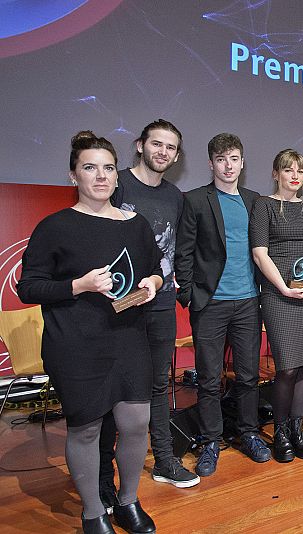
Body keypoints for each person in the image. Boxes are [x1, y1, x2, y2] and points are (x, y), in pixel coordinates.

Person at [18, 131, 162, 534]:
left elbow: (154, 270)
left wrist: (152, 283)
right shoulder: (55, 227)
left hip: (129, 339)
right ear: (73, 176)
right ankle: (93, 511)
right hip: (76, 344)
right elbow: (28, 287)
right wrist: (77, 286)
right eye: (89, 168)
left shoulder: (137, 225)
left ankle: (128, 501)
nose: (101, 176)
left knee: (135, 424)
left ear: (117, 175)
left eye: (108, 168)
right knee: (86, 428)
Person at [97, 119, 199, 503]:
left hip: (159, 301)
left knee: (158, 383)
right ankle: (105, 476)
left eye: (171, 148)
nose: (163, 152)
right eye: (157, 144)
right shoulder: (117, 183)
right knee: (110, 386)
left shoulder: (176, 196)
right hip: (114, 304)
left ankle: (164, 459)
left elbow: (177, 249)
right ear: (140, 145)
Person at [175, 133, 270, 477]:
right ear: (211, 163)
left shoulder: (254, 200)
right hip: (210, 303)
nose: (228, 166)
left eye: (234, 159)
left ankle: (248, 432)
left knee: (247, 375)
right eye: (221, 160)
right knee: (209, 379)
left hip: (248, 301)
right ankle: (211, 439)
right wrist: (188, 294)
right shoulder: (196, 199)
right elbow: (183, 251)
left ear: (242, 163)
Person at [251, 149, 303, 461]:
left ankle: (298, 430)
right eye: (288, 170)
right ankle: (280, 431)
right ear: (276, 174)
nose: (295, 176)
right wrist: (283, 287)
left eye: (299, 170)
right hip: (277, 294)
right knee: (286, 368)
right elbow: (260, 253)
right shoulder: (264, 206)